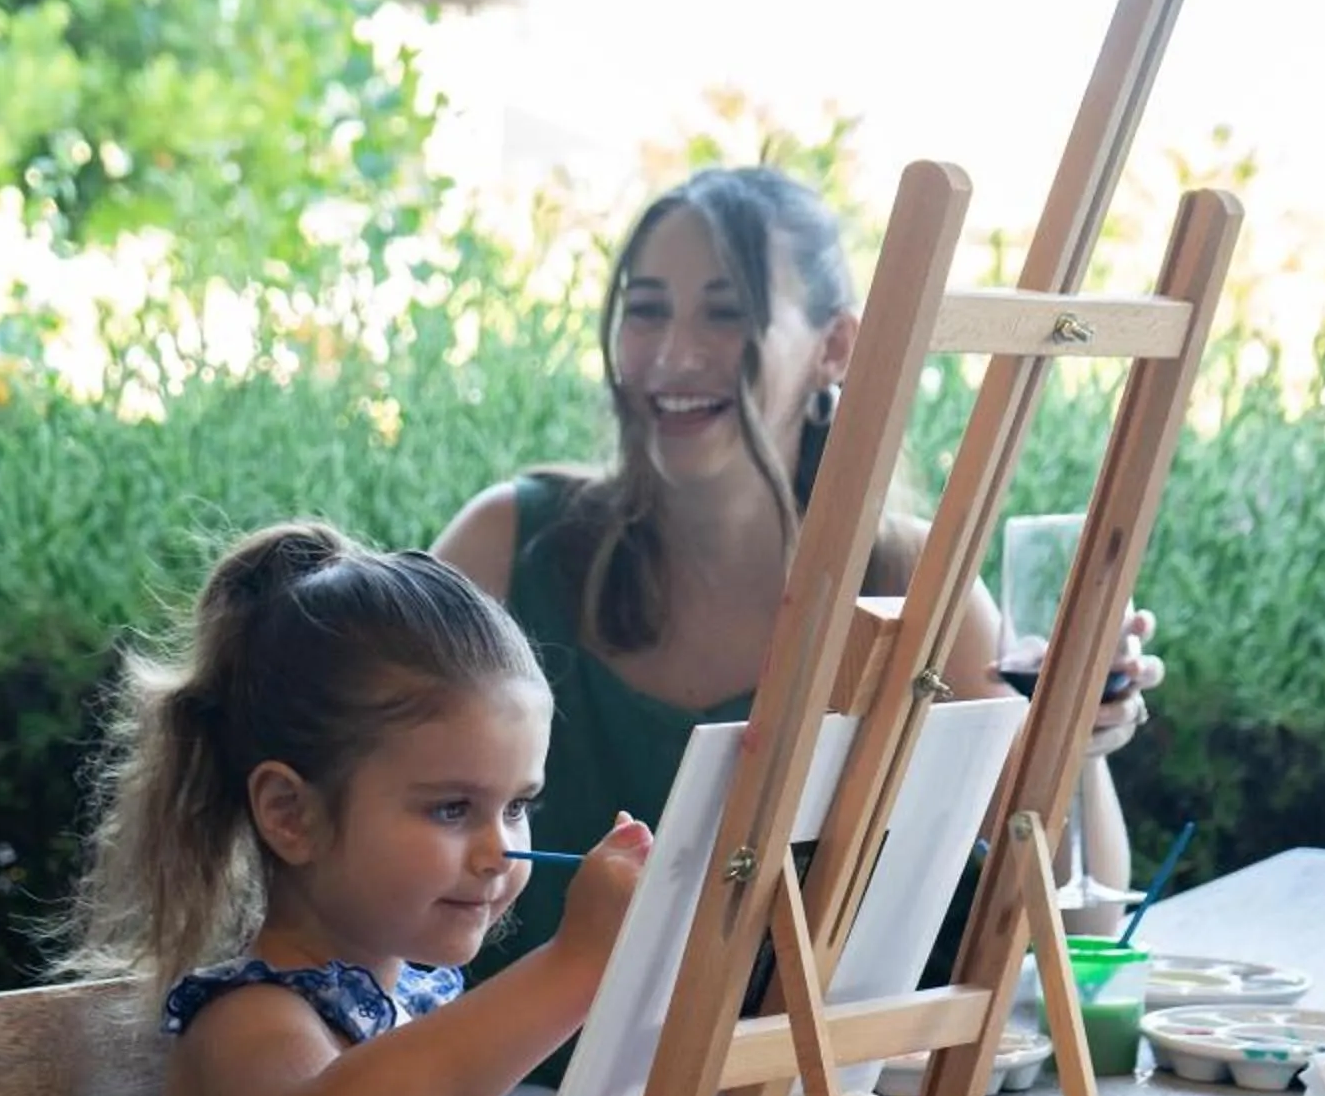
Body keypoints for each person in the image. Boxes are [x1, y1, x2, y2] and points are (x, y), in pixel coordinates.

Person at [432, 166, 1161, 983]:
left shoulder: (912, 580)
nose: (673, 354)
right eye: (645, 311)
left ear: (835, 348)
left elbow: (1080, 914)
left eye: (727, 312)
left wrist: (1078, 738)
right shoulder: (509, 544)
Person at [60, 522, 648, 1096]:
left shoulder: (418, 1007)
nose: (500, 852)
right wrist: (577, 965)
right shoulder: (246, 1018)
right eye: (450, 809)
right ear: (290, 814)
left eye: (515, 807)